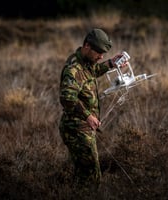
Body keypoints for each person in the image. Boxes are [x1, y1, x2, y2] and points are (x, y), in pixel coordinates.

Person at [59, 28, 125, 195]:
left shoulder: (85, 63)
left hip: (83, 128)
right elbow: (67, 98)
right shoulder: (73, 69)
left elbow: (93, 72)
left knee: (82, 174)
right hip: (77, 129)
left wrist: (111, 64)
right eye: (99, 52)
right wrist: (87, 116)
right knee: (91, 178)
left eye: (104, 54)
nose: (101, 56)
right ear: (87, 46)